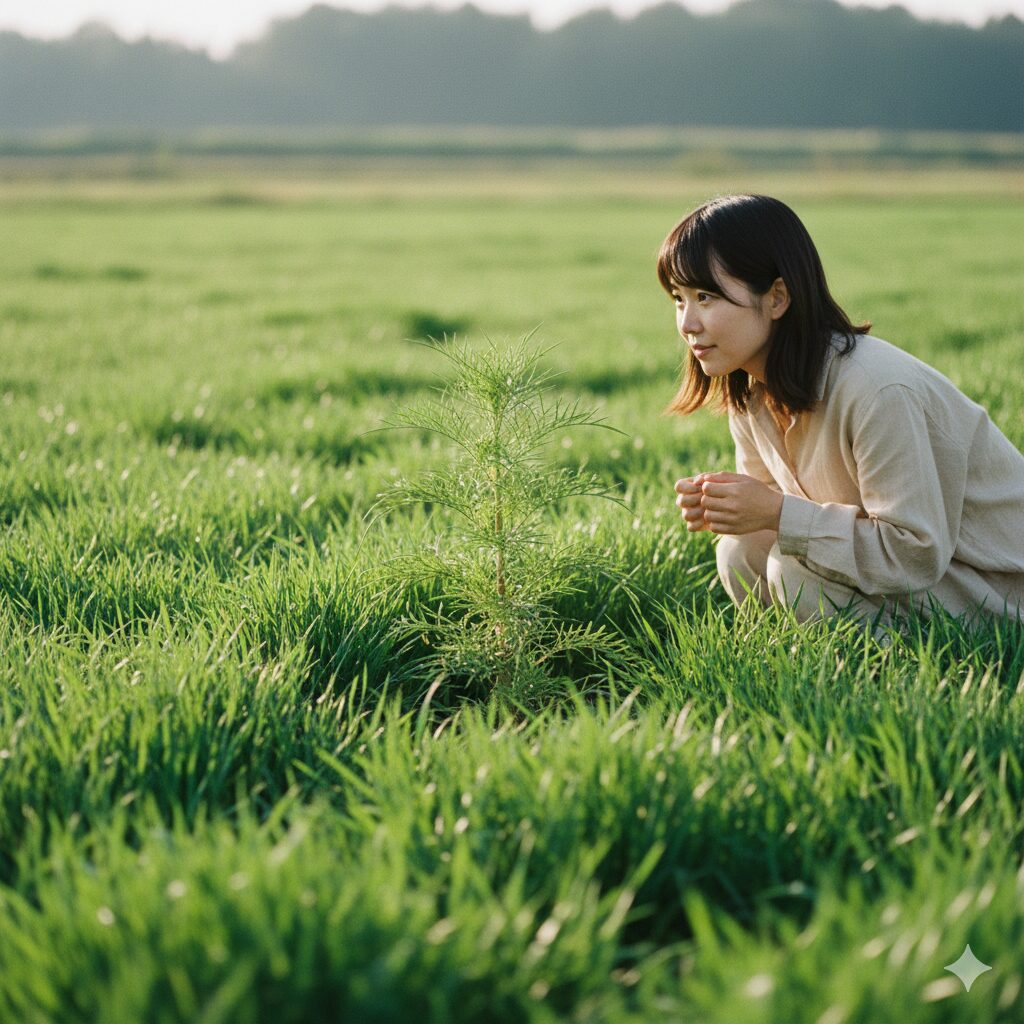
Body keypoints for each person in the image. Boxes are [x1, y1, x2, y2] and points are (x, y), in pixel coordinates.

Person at [662, 193, 1024, 626]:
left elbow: (914, 554)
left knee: (795, 578)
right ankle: (798, 670)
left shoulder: (877, 390)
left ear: (777, 298)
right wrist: (733, 509)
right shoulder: (750, 391)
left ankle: (899, 683)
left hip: (999, 589)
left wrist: (776, 512)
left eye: (705, 297)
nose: (687, 324)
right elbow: (773, 522)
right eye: (678, 299)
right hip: (929, 580)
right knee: (741, 550)